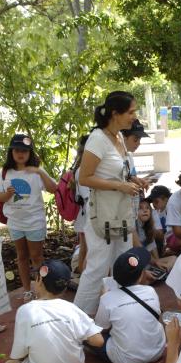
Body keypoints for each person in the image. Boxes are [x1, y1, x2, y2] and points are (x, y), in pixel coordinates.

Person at [73, 91, 142, 316]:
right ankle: (79, 321)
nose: (134, 116)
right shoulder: (97, 139)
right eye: (130, 112)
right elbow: (84, 178)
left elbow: (117, 173)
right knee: (98, 268)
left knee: (124, 263)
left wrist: (133, 180)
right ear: (115, 113)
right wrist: (120, 186)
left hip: (120, 213)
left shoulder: (119, 137)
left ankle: (120, 315)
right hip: (102, 214)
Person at [2, 260, 104, 363]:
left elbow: (18, 355)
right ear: (65, 287)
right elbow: (98, 341)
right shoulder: (72, 308)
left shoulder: (25, 311)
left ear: (38, 280)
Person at [0, 134, 57, 302]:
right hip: (15, 222)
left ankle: (40, 289)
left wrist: (40, 171)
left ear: (30, 153)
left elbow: (53, 188)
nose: (20, 154)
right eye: (17, 150)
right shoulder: (5, 172)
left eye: (25, 151)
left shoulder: (36, 171)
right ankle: (27, 290)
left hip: (34, 221)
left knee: (36, 256)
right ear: (11, 152)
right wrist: (7, 194)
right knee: (21, 256)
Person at [92, 247, 166, 363]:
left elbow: (100, 328)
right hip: (157, 352)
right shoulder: (150, 291)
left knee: (90, 335)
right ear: (142, 275)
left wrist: (102, 298)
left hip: (125, 360)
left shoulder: (107, 298)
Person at [136, 198, 176, 281]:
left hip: (149, 262)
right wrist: (155, 262)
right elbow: (140, 250)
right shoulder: (134, 227)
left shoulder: (149, 228)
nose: (145, 210)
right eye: (140, 208)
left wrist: (158, 264)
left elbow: (153, 249)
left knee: (174, 258)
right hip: (137, 262)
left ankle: (162, 274)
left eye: (147, 208)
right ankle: (159, 276)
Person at [71, 135, 90, 282]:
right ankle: (84, 275)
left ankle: (81, 272)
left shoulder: (79, 167)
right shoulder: (83, 169)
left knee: (85, 247)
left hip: (83, 215)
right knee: (87, 248)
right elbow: (87, 196)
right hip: (87, 215)